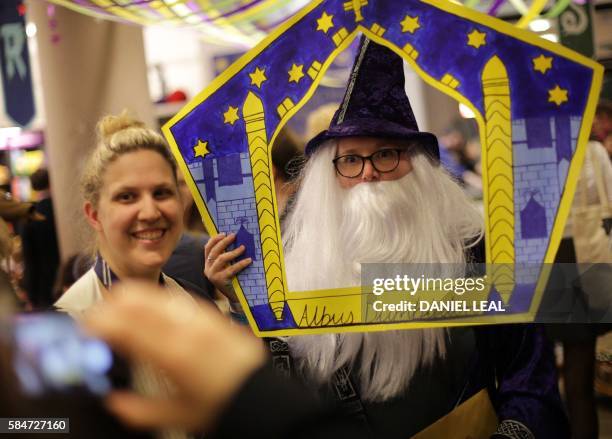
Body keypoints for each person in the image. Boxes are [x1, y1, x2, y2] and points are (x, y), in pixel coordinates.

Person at [206, 38, 568, 438]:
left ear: (418, 165)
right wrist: (244, 301)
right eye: (350, 159)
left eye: (385, 155)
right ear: (332, 173)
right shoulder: (300, 258)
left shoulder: (477, 250)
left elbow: (530, 380)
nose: (368, 174)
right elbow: (272, 385)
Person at [54, 111, 212, 439]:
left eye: (162, 193)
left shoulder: (194, 304)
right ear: (94, 214)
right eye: (127, 197)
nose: (150, 212)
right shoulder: (70, 327)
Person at [21, 168, 60, 309]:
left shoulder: (29, 216)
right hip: (66, 279)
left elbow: (29, 259)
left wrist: (30, 294)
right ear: (51, 183)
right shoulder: (60, 208)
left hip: (43, 288)